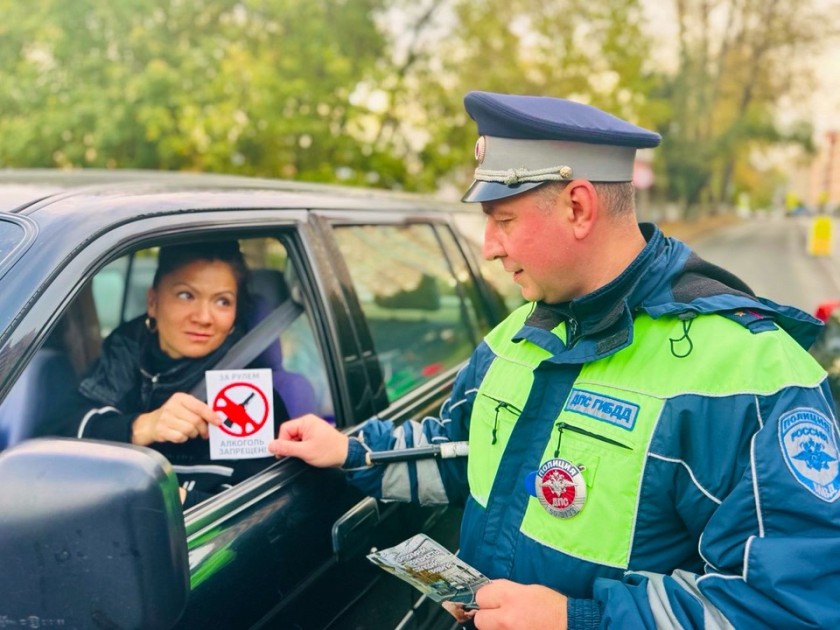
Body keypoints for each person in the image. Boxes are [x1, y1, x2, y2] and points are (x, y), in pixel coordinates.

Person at [268, 91, 840, 628]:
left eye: (503, 220)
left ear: (578, 207)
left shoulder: (753, 373)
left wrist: (576, 619)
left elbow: (789, 605)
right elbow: (461, 452)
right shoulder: (516, 331)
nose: (489, 248)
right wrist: (350, 451)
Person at [72, 240, 288, 508]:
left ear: (235, 315)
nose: (204, 317)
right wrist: (141, 426)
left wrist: (173, 499)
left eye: (223, 301)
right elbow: (60, 442)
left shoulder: (250, 390)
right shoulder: (121, 354)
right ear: (153, 302)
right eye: (186, 295)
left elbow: (259, 511)